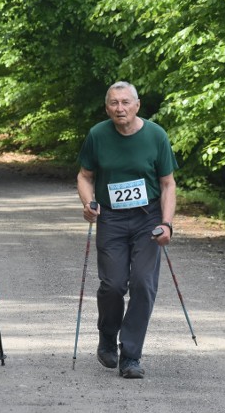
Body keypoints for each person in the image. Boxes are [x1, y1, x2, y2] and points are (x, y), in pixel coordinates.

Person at [76, 81, 178, 378]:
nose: (119, 108)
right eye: (113, 103)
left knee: (143, 284)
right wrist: (89, 202)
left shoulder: (156, 135)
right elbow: (84, 176)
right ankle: (107, 335)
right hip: (112, 219)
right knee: (113, 286)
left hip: (148, 219)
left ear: (137, 105)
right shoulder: (98, 135)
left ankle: (131, 355)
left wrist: (167, 223)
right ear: (107, 107)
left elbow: (168, 184)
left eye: (124, 102)